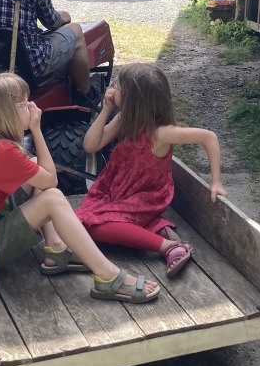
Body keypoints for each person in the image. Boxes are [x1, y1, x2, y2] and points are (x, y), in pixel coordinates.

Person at [0, 72, 160, 303]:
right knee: (52, 197)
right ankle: (107, 276)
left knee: (33, 166)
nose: (32, 106)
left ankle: (56, 247)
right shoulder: (1, 151)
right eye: (24, 103)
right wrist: (36, 129)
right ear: (2, 114)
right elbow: (50, 180)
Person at [76, 62, 227, 277]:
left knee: (95, 227)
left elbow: (209, 137)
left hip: (145, 198)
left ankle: (168, 246)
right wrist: (107, 108)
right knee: (80, 223)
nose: (112, 86)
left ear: (133, 100)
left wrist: (216, 182)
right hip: (116, 191)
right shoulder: (124, 119)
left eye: (118, 85)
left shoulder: (161, 133)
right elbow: (90, 145)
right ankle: (155, 228)